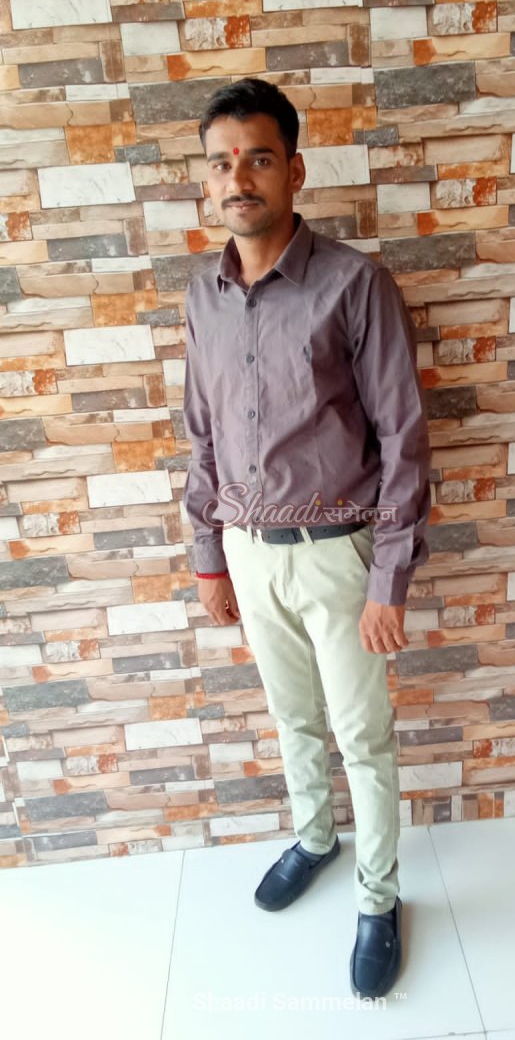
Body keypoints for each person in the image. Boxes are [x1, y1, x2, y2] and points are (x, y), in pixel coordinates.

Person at [182, 77, 432, 1000]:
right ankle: (316, 837)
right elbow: (202, 433)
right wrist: (209, 555)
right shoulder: (203, 296)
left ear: (294, 170)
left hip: (340, 556)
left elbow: (404, 436)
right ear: (207, 182)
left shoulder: (354, 284)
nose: (238, 178)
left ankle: (378, 896)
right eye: (222, 163)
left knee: (362, 735)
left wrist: (388, 579)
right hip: (250, 551)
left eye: (257, 158)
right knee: (292, 717)